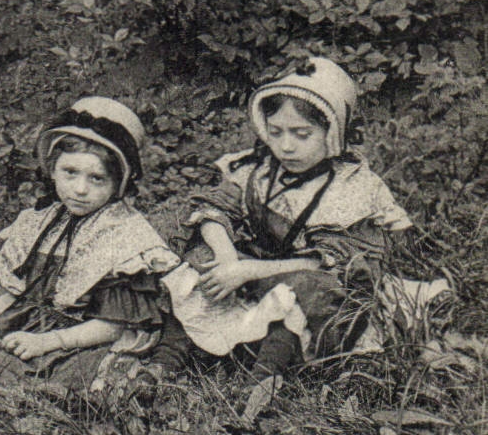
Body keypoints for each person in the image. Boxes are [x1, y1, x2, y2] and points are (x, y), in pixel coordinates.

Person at [151, 57, 441, 414]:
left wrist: (247, 271)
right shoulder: (258, 170)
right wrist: (227, 260)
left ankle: (262, 382)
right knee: (202, 256)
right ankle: (164, 363)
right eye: (276, 132)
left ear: (332, 132)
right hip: (252, 270)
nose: (286, 146)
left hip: (309, 276)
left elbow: (330, 258)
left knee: (308, 287)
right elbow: (215, 209)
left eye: (302, 134)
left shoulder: (350, 188)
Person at [0, 97, 179, 392]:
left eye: (97, 179)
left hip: (85, 336)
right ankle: (4, 386)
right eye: (70, 173)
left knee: (74, 376)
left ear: (119, 184)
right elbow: (32, 287)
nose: (80, 190)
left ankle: (27, 393)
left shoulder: (123, 237)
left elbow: (114, 326)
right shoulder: (46, 220)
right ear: (52, 169)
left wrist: (46, 342)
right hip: (38, 323)